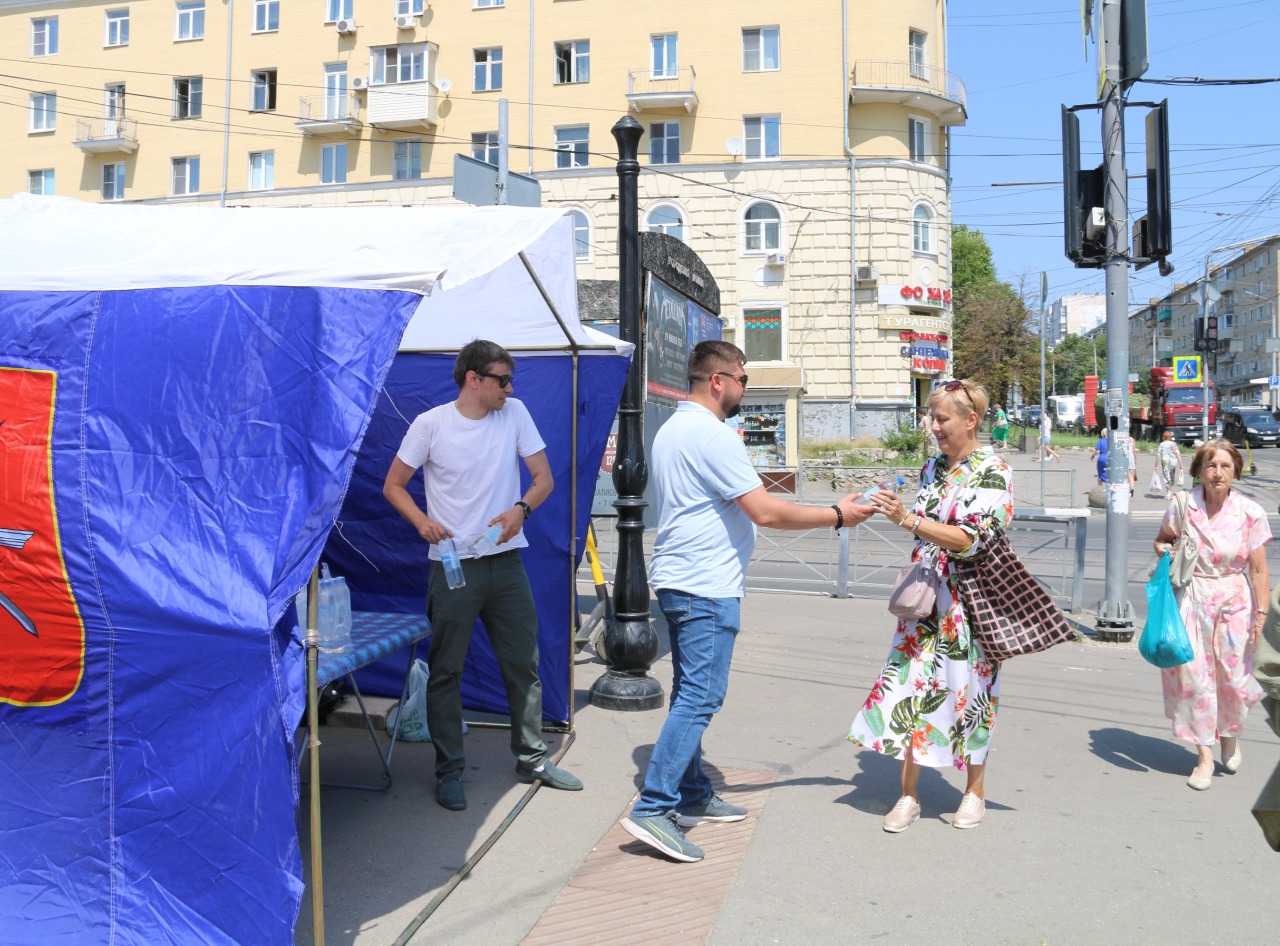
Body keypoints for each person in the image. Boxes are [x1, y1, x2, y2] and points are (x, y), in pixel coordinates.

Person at [622, 341, 875, 863]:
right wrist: (836, 514)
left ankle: (690, 793)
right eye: (742, 378)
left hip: (682, 578)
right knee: (700, 697)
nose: (745, 389)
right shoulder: (712, 435)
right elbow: (765, 511)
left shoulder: (673, 427)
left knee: (690, 691)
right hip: (705, 585)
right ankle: (655, 807)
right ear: (717, 380)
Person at [382, 339, 581, 812]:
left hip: (506, 563)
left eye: (510, 381)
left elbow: (543, 479)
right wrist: (421, 522)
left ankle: (532, 758)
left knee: (523, 664)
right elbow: (392, 484)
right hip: (451, 565)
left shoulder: (515, 414)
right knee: (445, 671)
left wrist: (520, 510)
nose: (509, 389)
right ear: (473, 378)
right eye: (501, 380)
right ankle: (449, 771)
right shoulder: (430, 424)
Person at [848, 379, 1013, 832]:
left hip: (971, 604)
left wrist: (910, 519)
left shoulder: (993, 471)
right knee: (911, 690)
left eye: (942, 418)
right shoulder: (933, 468)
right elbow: (924, 525)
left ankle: (974, 792)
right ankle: (908, 796)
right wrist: (899, 511)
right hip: (924, 602)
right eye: (932, 417)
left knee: (971, 695)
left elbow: (972, 539)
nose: (933, 426)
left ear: (970, 421)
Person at [1152, 439, 1271, 791]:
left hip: (1235, 600)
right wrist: (1167, 549)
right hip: (1192, 596)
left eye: (1225, 466)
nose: (1217, 473)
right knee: (1194, 678)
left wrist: (1261, 614)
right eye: (1210, 465)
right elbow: (1162, 539)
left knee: (1233, 678)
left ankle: (1230, 733)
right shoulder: (1182, 505)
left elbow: (1260, 570)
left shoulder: (1251, 512)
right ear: (1199, 471)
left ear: (1235, 470)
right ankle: (1203, 755)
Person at [1152, 431, 1183, 500]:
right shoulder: (1174, 444)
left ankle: (1168, 492)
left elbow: (1158, 455)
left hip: (1165, 462)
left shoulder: (1162, 444)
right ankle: (1169, 491)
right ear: (1170, 437)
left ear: (1163, 437)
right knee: (1171, 476)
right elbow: (1177, 453)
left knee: (1166, 477)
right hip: (1173, 462)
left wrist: (1156, 465)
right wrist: (1181, 464)